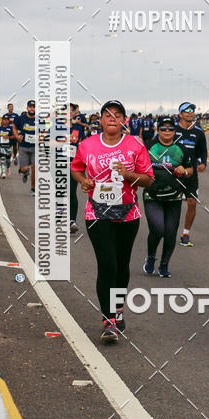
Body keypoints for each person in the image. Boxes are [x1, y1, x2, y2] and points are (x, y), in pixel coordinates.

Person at [70, 100, 154, 344]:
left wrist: (127, 175)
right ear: (100, 119)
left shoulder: (134, 145)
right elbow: (76, 169)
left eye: (118, 115)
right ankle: (108, 320)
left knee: (120, 266)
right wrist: (83, 181)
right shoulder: (87, 145)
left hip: (127, 213)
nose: (112, 118)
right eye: (108, 115)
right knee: (106, 265)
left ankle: (118, 309)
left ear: (124, 121)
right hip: (97, 212)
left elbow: (148, 180)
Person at [142, 117, 193, 277]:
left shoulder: (181, 149)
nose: (166, 131)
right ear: (158, 129)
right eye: (163, 128)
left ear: (174, 131)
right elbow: (138, 166)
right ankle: (151, 258)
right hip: (152, 196)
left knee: (171, 233)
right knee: (158, 229)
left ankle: (164, 265)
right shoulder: (149, 146)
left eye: (170, 128)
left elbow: (190, 170)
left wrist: (184, 171)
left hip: (174, 197)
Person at [173, 102, 208, 247]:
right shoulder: (172, 130)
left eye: (192, 111)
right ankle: (170, 231)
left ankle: (185, 233)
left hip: (191, 173)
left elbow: (203, 151)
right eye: (186, 111)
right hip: (174, 172)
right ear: (180, 114)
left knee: (192, 203)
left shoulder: (199, 132)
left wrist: (202, 163)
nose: (190, 113)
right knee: (173, 204)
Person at [68, 110, 87, 233]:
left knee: (71, 192)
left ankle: (72, 221)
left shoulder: (77, 128)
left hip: (73, 164)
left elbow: (83, 144)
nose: (69, 113)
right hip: (58, 164)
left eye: (71, 111)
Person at [13, 100, 36, 194]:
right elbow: (14, 127)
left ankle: (33, 189)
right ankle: (25, 172)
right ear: (27, 108)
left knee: (35, 167)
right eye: (30, 107)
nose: (32, 108)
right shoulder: (20, 118)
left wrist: (41, 136)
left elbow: (45, 130)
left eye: (34, 107)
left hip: (35, 147)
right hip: (23, 147)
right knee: (24, 168)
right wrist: (17, 136)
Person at [0, 114, 14, 178]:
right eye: (4, 120)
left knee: (8, 160)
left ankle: (8, 168)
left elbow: (14, 136)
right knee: (2, 160)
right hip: (1, 147)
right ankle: (3, 173)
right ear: (2, 120)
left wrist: (8, 137)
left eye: (7, 120)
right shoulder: (0, 128)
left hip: (9, 147)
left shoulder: (11, 128)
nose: (6, 121)